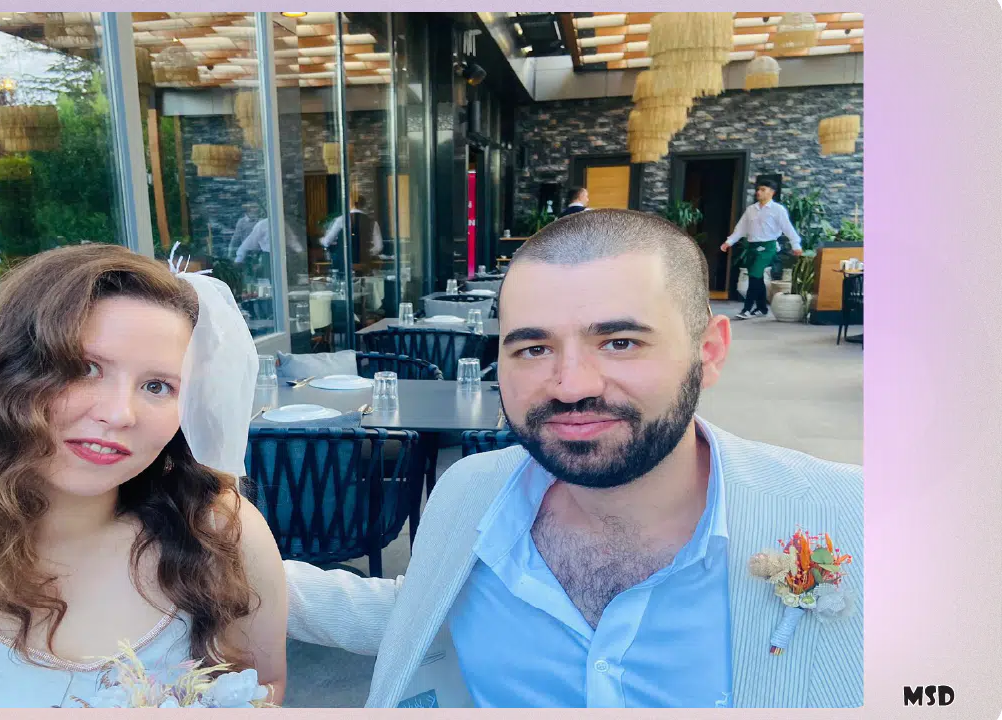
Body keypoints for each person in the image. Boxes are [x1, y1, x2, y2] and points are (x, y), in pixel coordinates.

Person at [284, 209, 862, 709]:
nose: (570, 385)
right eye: (534, 348)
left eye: (620, 343)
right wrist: (238, 566)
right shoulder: (469, 491)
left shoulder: (857, 519)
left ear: (708, 351)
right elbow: (423, 608)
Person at [0, 244, 288, 708]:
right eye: (85, 369)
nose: (119, 414)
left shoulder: (221, 532)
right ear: (5, 371)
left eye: (157, 386)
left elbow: (261, 688)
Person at [721, 181, 802, 320]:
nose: (758, 192)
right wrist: (729, 242)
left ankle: (747, 309)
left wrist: (796, 245)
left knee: (754, 274)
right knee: (756, 277)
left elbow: (788, 228)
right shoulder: (751, 209)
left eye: (763, 189)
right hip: (752, 246)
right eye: (758, 189)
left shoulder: (778, 210)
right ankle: (762, 308)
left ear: (772, 192)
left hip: (768, 246)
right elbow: (741, 228)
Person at [320, 194, 383, 272]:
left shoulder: (341, 219)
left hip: (345, 264)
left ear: (349, 204)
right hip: (364, 264)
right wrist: (366, 253)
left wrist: (319, 240)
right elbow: (379, 247)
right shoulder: (373, 222)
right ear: (364, 204)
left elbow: (327, 242)